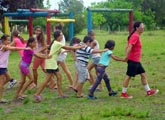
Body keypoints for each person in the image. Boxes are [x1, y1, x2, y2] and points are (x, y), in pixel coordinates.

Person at [33, 30, 85, 102]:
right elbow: (69, 48)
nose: (62, 36)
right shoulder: (58, 43)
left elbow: (55, 50)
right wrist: (81, 46)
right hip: (51, 64)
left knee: (59, 77)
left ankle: (61, 94)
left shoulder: (55, 42)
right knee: (47, 80)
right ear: (57, 37)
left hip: (52, 63)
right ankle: (37, 94)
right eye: (61, 35)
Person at [121, 21, 159, 99]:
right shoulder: (135, 36)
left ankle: (148, 91)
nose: (143, 28)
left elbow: (127, 46)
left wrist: (127, 56)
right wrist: (126, 57)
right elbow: (129, 47)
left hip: (136, 60)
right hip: (133, 60)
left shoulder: (135, 36)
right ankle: (123, 93)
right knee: (128, 76)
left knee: (143, 74)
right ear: (137, 28)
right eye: (142, 26)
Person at [0, 34, 29, 103]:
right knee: (1, 84)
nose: (9, 41)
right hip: (1, 67)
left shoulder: (5, 46)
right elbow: (15, 48)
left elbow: (14, 48)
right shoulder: (3, 47)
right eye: (8, 40)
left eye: (10, 40)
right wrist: (25, 48)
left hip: (3, 67)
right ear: (3, 40)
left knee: (8, 79)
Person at [55, 23, 74, 88]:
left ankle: (72, 83)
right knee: (52, 69)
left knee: (65, 69)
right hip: (60, 54)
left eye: (54, 29)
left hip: (61, 54)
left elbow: (61, 46)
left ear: (57, 29)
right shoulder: (59, 35)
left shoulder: (60, 36)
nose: (53, 30)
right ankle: (52, 83)